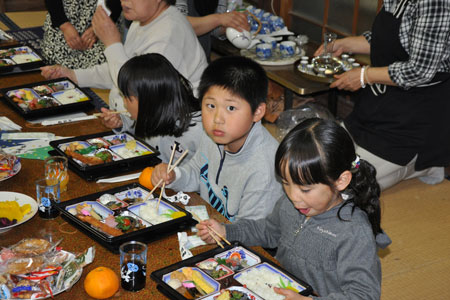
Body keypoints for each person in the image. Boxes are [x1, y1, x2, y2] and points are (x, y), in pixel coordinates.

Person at [197, 118, 391, 299]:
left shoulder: (353, 231)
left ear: (341, 180)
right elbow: (268, 231)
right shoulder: (290, 204)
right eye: (286, 183)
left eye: (305, 189)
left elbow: (364, 294)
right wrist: (226, 230)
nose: (294, 196)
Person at [314, 0, 450, 190]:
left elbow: (420, 70)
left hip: (413, 119)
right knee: (316, 159)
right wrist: (345, 44)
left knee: (345, 185)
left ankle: (424, 164)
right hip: (380, 104)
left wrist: (364, 75)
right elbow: (390, 39)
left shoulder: (434, 2)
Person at [151, 56, 283, 221]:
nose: (217, 119)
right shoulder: (215, 135)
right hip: (211, 223)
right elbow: (196, 172)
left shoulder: (264, 168)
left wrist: (221, 231)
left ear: (257, 112)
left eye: (231, 108)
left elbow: (251, 232)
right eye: (211, 106)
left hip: (237, 239)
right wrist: (174, 175)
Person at [41, 0, 208, 126]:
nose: (124, 1)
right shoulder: (144, 19)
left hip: (172, 131)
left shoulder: (168, 35)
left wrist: (112, 43)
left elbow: (138, 91)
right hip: (135, 118)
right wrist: (72, 75)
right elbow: (123, 66)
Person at [116, 53, 203, 164]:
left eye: (127, 97)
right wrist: (122, 122)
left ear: (148, 100)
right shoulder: (155, 113)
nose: (124, 102)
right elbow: (139, 128)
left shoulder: (197, 132)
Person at [41, 0, 122, 69]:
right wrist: (64, 25)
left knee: (104, 66)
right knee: (54, 59)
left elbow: (117, 4)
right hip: (64, 18)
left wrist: (98, 28)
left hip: (101, 18)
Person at [175, 0, 249, 61]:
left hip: (202, 56)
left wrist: (230, 25)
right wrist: (219, 19)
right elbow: (180, 26)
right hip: (177, 58)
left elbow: (213, 30)